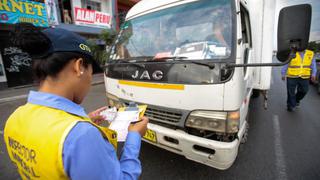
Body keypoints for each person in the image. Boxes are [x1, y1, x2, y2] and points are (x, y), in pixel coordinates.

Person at [3, 23, 148, 179]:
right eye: (91, 73)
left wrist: (86, 120)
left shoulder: (14, 118)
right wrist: (134, 136)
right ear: (79, 66)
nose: (90, 82)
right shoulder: (81, 135)